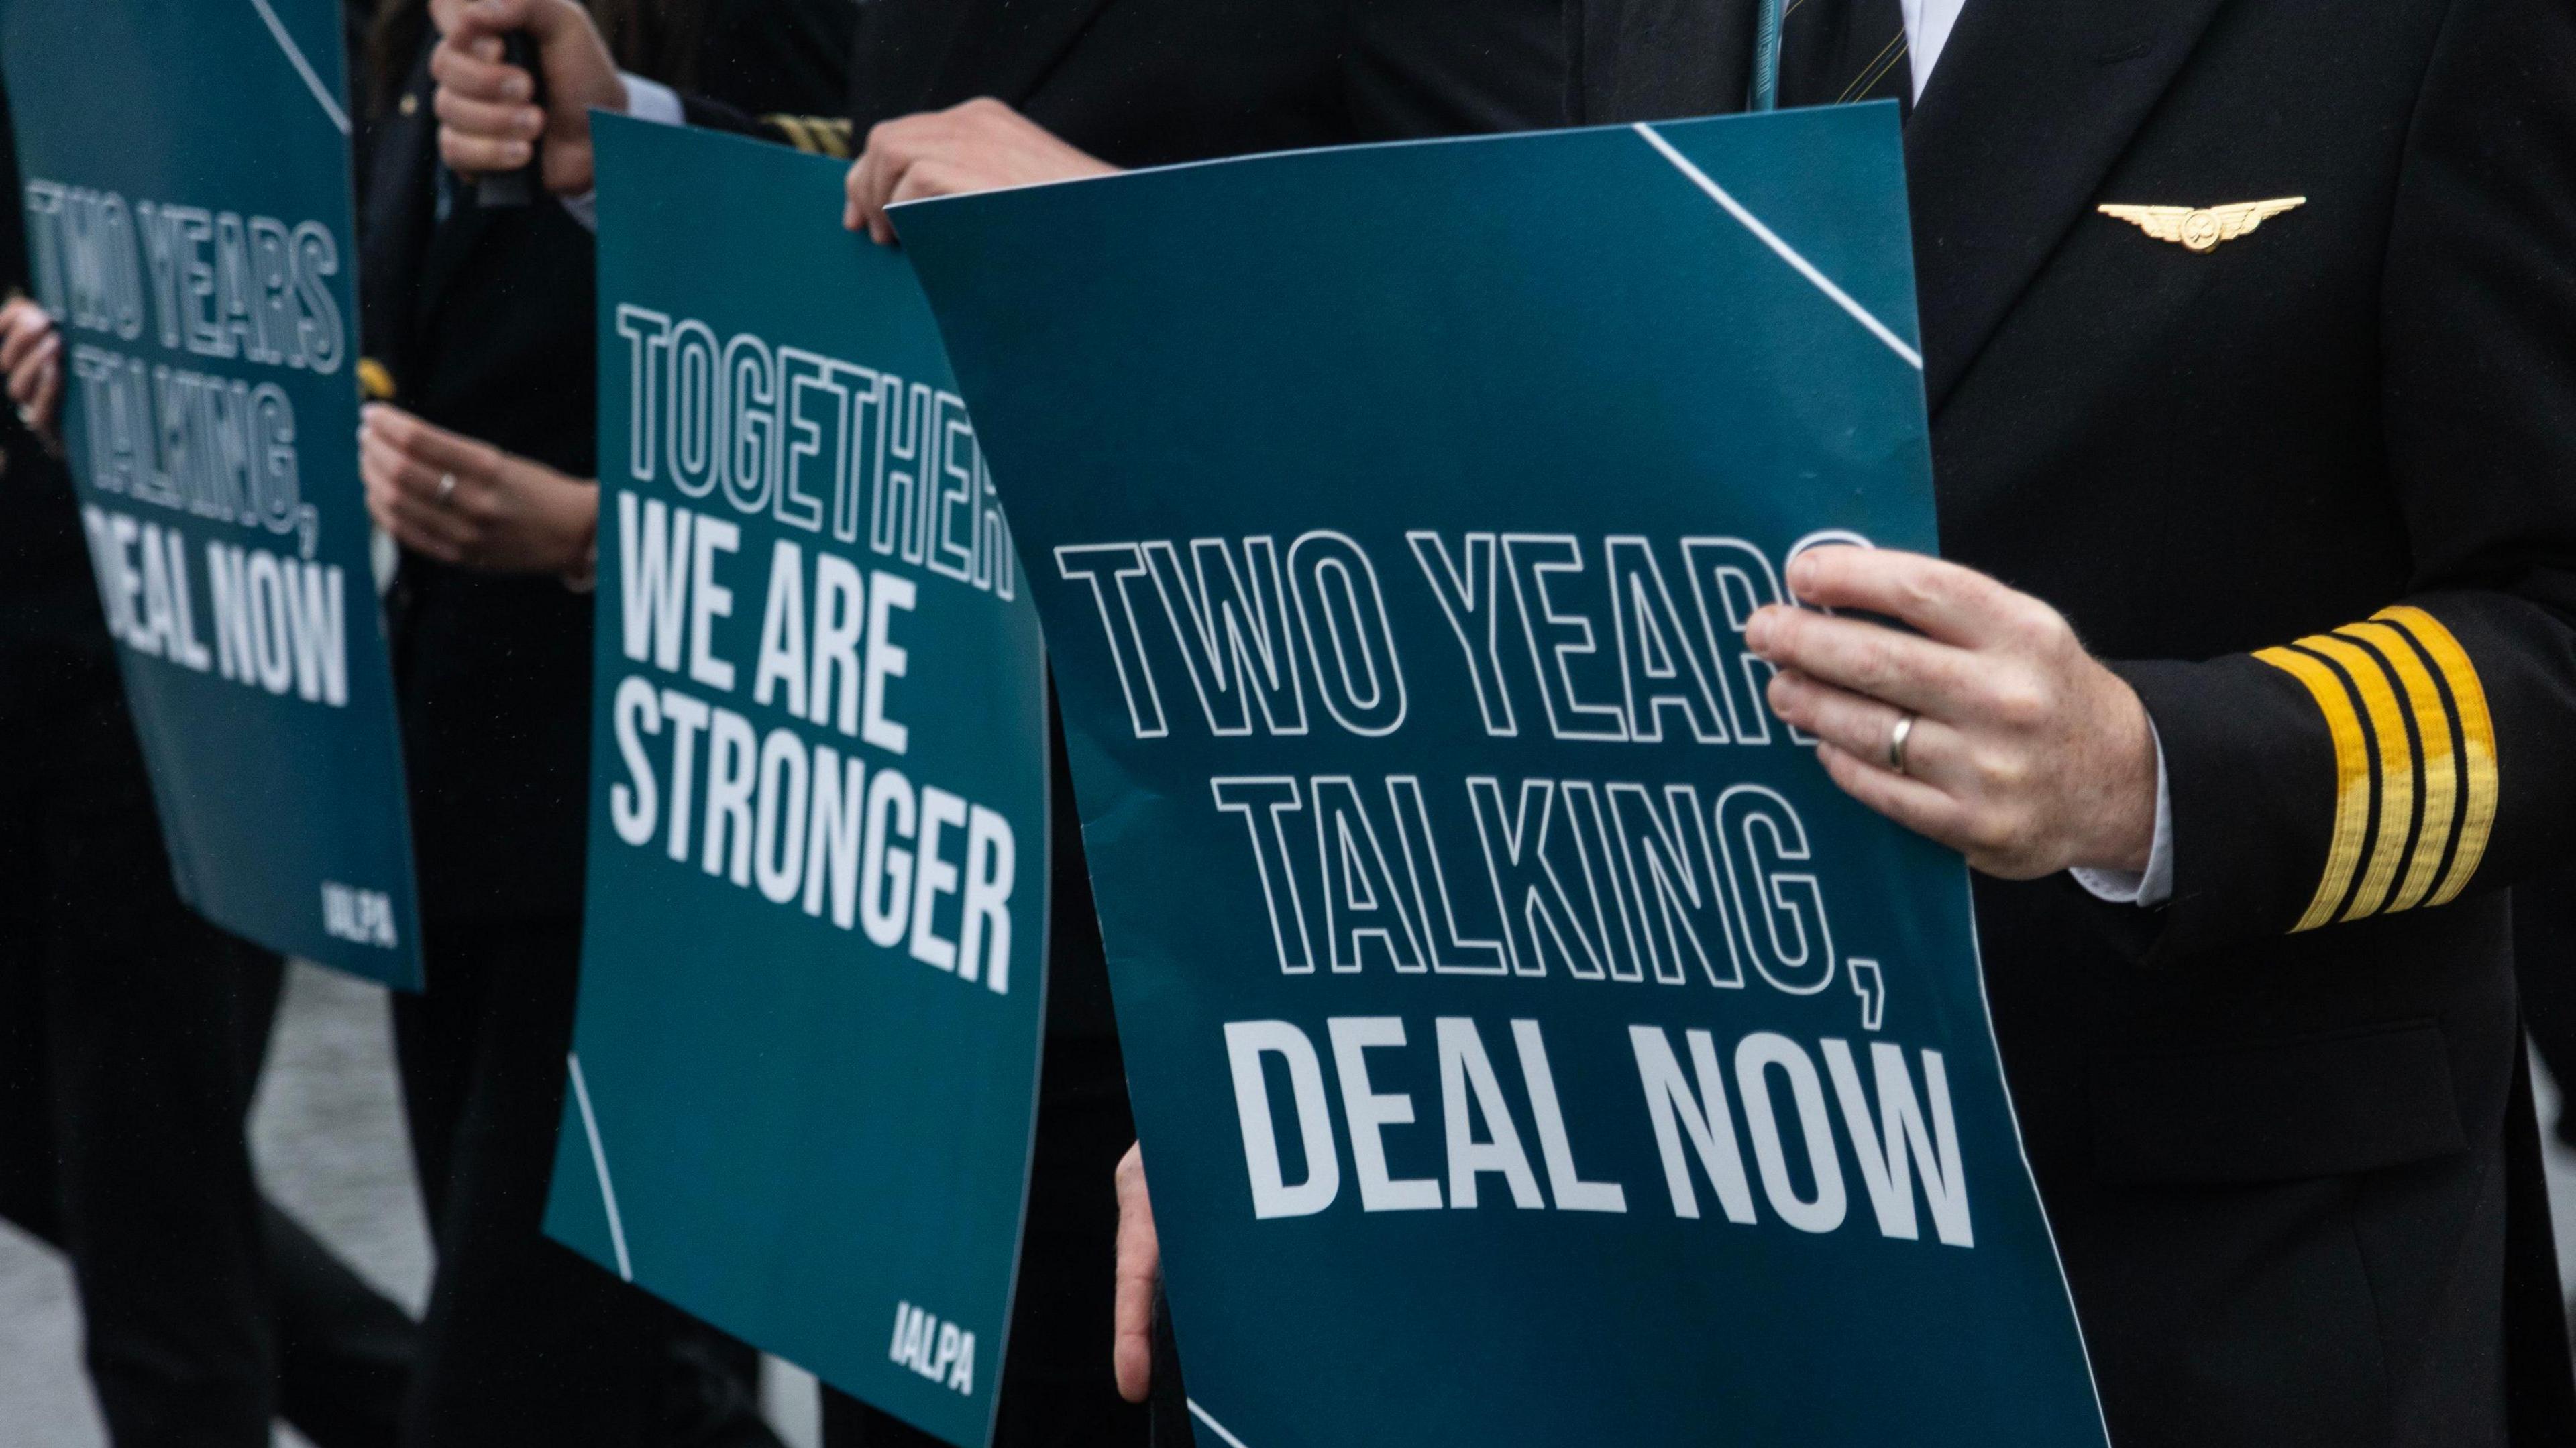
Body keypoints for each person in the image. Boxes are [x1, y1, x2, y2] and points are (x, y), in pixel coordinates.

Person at [1095, 1, 2576, 1446]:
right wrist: (1308, 1082)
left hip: (2206, 1277)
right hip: (1699, 1244)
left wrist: (2152, 772)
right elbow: (1548, 580)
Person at [422, 2, 1561, 1444]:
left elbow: (1554, 293)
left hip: (1205, 944)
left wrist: (1112, 227)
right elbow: (891, 191)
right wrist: (633, 136)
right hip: (913, 925)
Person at [352, 2, 853, 1442]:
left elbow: (865, 323)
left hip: (664, 807)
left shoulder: (727, 44)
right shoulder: (406, 33)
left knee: (509, 1395)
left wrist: (601, 536)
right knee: (631, 1395)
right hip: (448, 789)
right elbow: (372, 310)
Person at [0, 99, 418, 1448]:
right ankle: (455, 1405)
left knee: (152, 1199)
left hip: (164, 630)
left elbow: (309, 160)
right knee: (111, 1174)